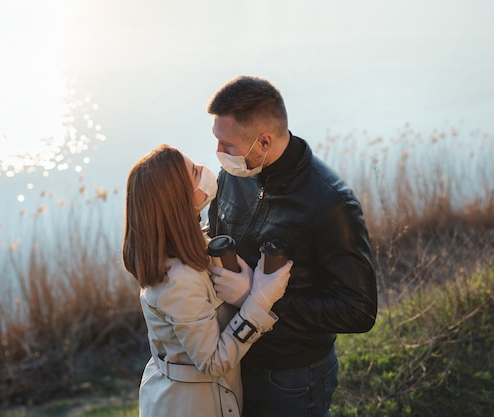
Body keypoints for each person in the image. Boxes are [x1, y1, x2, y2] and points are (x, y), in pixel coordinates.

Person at [206, 75, 378, 417]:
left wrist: (256, 300)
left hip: (292, 375)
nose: (218, 153)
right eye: (217, 141)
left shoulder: (330, 203)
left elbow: (358, 310)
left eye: (227, 145)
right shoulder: (235, 174)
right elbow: (215, 231)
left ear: (263, 142)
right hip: (235, 357)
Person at [122, 144, 294, 417]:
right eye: (195, 171)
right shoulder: (178, 282)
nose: (205, 169)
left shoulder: (184, 246)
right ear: (179, 200)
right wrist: (260, 299)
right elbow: (213, 361)